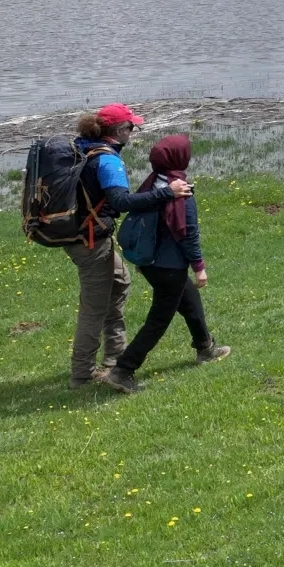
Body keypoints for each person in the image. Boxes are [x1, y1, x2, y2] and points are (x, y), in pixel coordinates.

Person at [69, 104, 191, 389]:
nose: (133, 132)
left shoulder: (84, 147)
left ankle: (114, 359)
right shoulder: (108, 161)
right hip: (90, 242)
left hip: (86, 235)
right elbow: (122, 202)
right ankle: (82, 375)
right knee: (94, 307)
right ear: (119, 131)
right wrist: (167, 193)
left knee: (120, 283)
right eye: (131, 127)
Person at [103, 135, 229, 393]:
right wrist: (199, 267)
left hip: (150, 263)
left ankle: (205, 347)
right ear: (182, 159)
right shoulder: (181, 191)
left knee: (190, 300)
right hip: (169, 268)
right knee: (159, 320)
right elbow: (188, 233)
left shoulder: (152, 184)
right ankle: (123, 370)